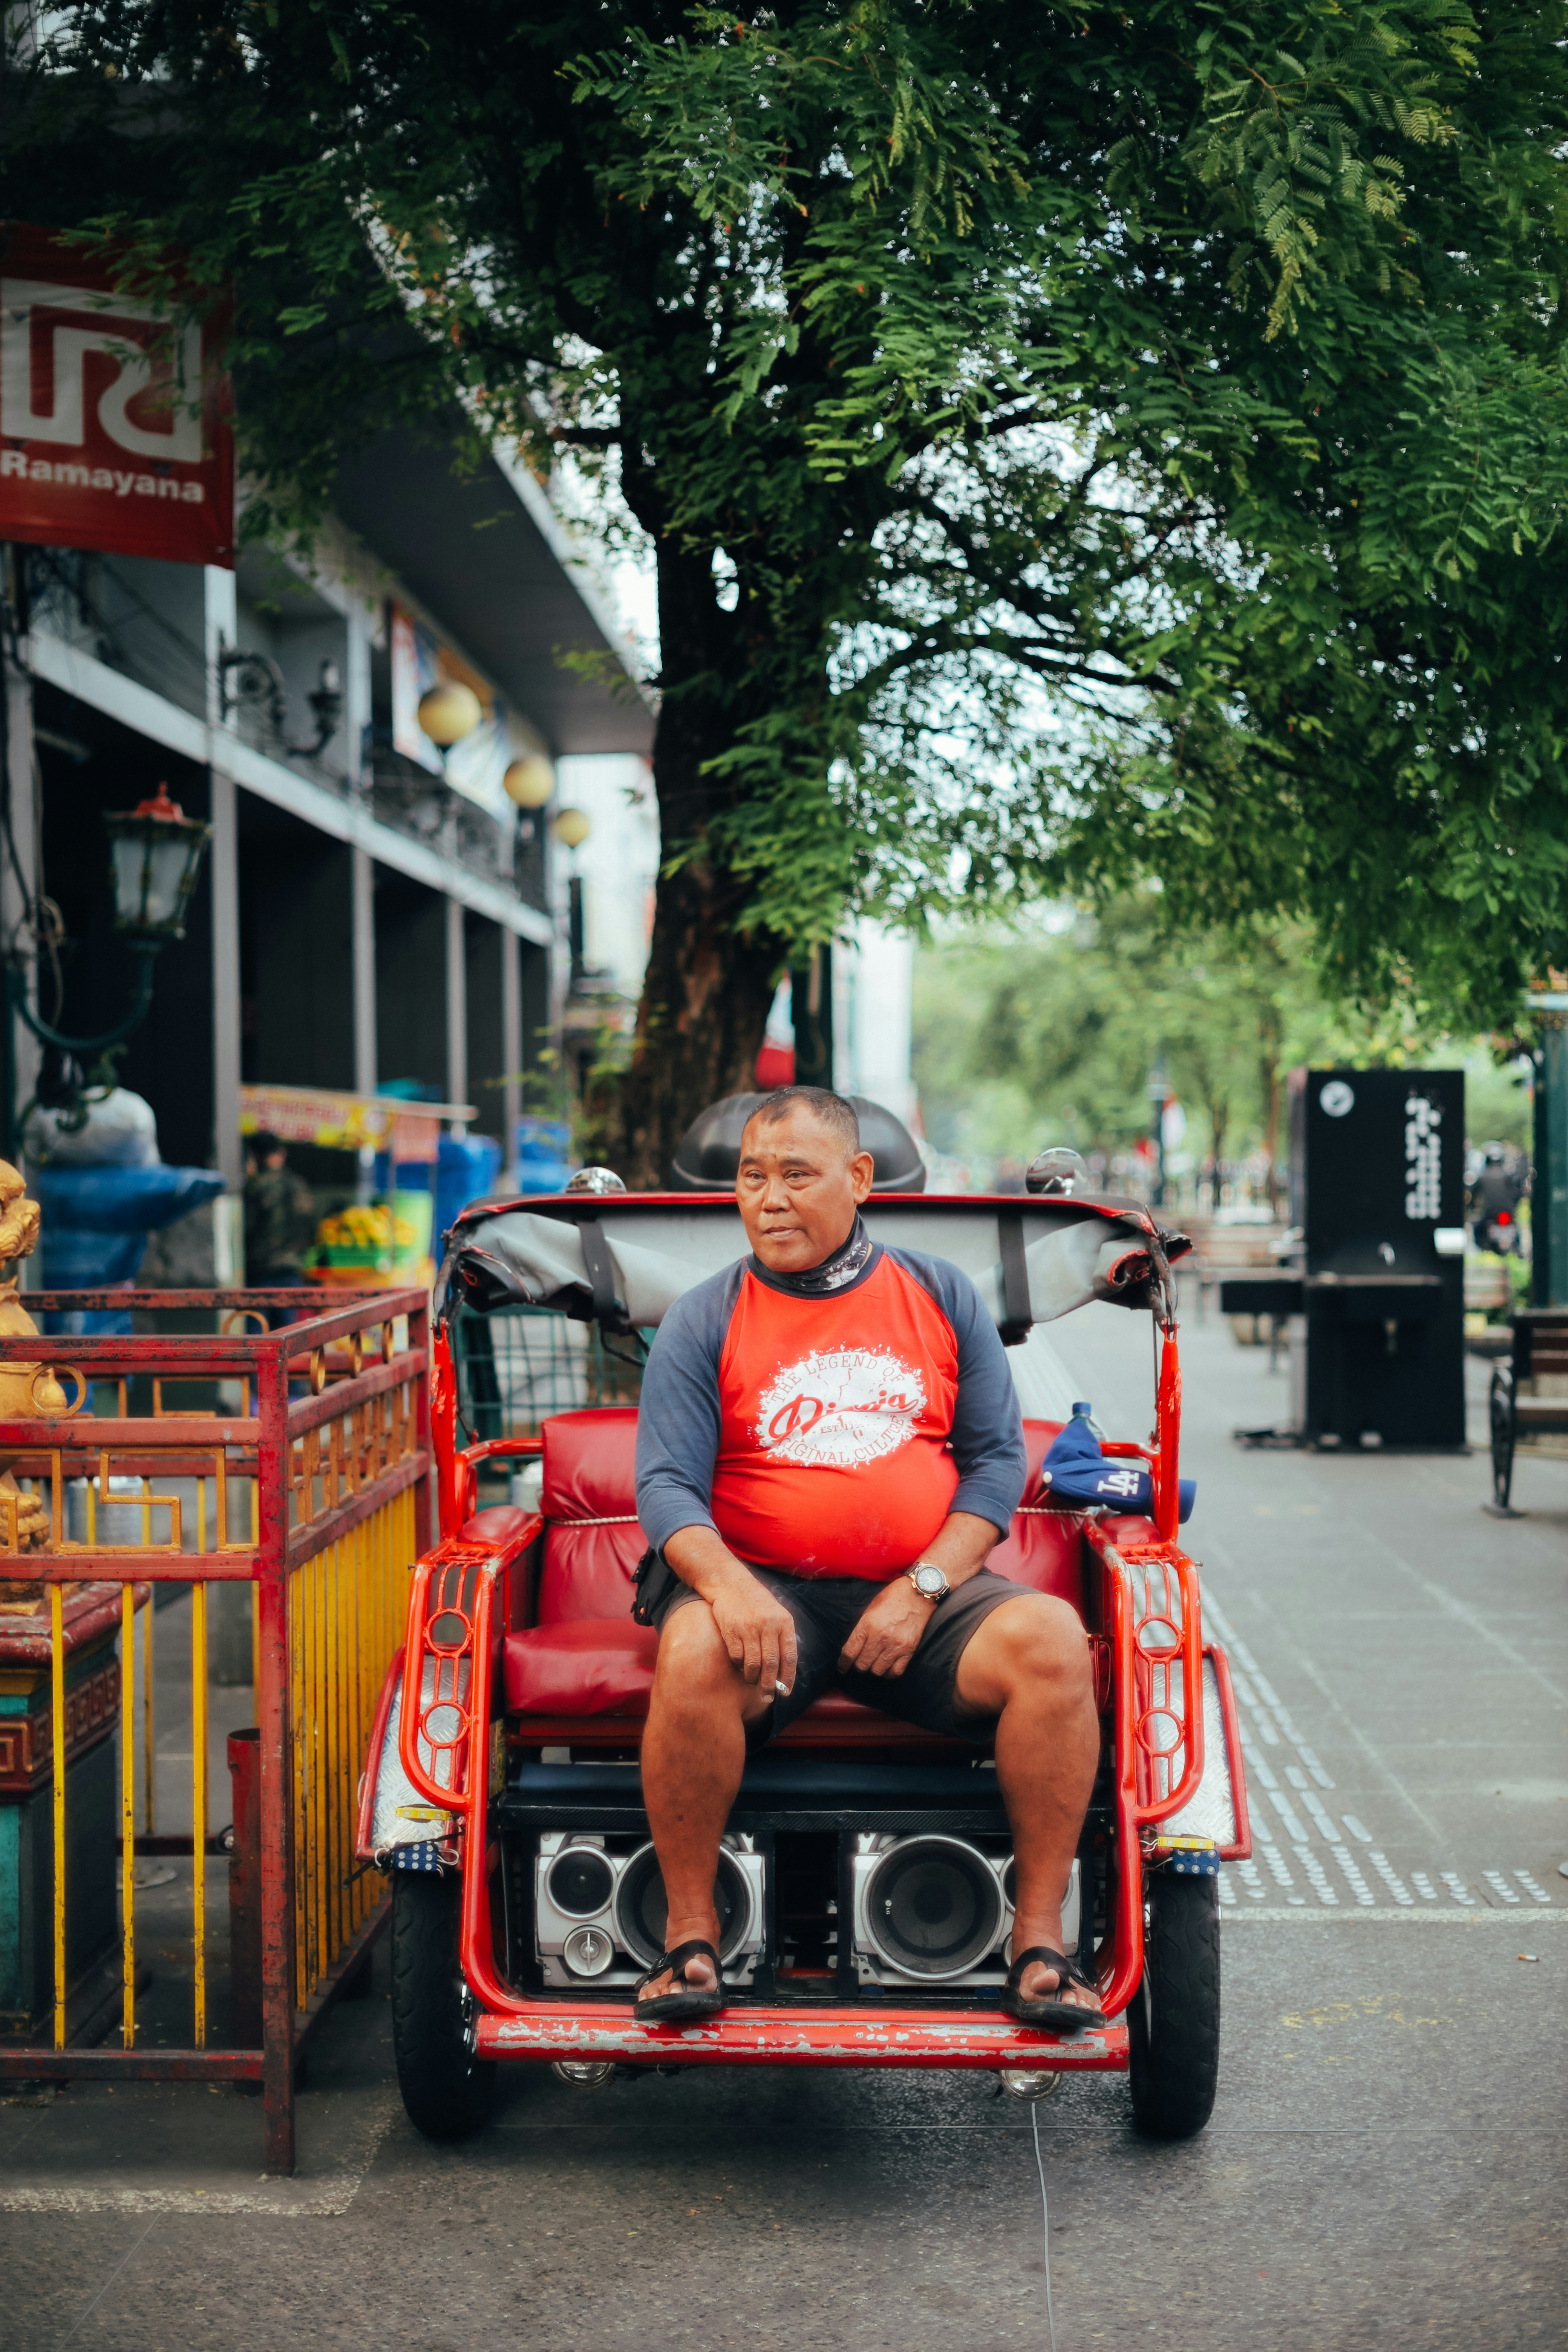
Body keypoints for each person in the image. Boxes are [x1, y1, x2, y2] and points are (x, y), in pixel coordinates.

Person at [632, 1085, 1104, 2029]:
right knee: (690, 1654)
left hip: (919, 1594)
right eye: (751, 1178)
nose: (768, 1199)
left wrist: (922, 1586)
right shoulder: (702, 1316)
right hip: (766, 1592)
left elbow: (995, 1462)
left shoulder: (938, 1293)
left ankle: (1040, 1944)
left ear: (857, 1179)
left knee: (1053, 1638)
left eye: (795, 1175)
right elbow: (666, 1488)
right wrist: (728, 1589)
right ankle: (689, 1942)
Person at [243, 1132, 314, 1320]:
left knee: (259, 1338)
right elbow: (312, 1227)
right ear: (282, 1153)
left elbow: (246, 1229)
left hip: (262, 1271)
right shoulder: (299, 1184)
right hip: (293, 1268)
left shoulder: (255, 1187)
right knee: (289, 1334)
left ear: (255, 1156)